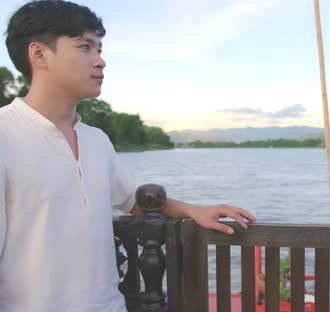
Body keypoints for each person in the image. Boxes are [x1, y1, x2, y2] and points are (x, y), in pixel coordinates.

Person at [0, 1, 255, 311]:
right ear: (39, 54)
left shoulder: (96, 140)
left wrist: (194, 211)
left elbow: (133, 201)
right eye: (85, 47)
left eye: (100, 49)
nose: (100, 61)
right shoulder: (6, 135)